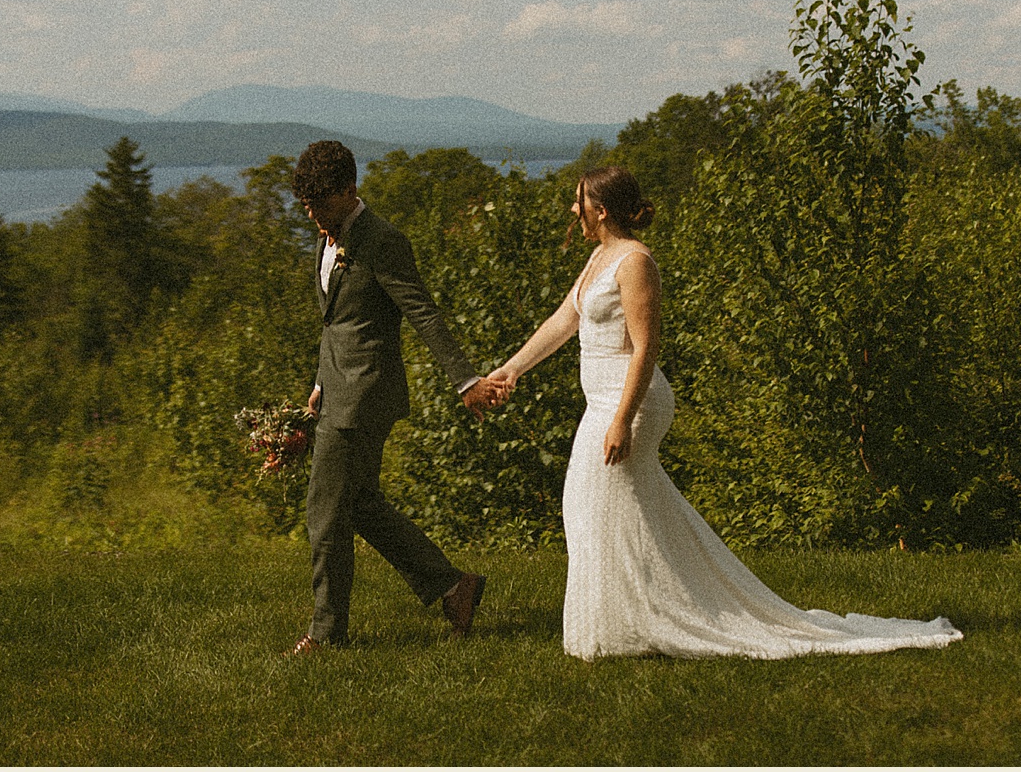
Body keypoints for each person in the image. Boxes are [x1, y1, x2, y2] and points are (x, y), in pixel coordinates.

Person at [488, 165, 963, 661]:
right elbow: (564, 320)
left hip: (631, 402)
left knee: (596, 501)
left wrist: (622, 420)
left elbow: (647, 346)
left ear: (600, 210)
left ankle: (652, 624)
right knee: (597, 507)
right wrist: (512, 369)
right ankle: (624, 625)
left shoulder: (635, 262)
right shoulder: (599, 258)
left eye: (578, 201)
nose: (572, 209)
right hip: (602, 403)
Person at [287, 139, 508, 656]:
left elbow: (423, 313)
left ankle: (326, 635)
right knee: (358, 504)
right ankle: (454, 588)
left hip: (366, 396)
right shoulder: (325, 236)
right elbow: (334, 323)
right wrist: (318, 385)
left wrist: (465, 381)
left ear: (350, 189)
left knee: (324, 514)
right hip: (337, 391)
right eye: (305, 204)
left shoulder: (383, 241)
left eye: (320, 201)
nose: (312, 213)